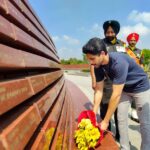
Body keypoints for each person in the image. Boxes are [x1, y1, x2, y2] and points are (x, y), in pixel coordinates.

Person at [82, 37, 150, 150]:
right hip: (125, 89)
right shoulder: (97, 66)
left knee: (145, 122)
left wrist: (105, 121)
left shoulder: (118, 62)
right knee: (121, 118)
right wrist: (93, 113)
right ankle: (124, 147)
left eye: (92, 59)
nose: (90, 62)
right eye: (88, 59)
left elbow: (116, 95)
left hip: (140, 87)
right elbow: (99, 91)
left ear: (102, 53)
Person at [90, 20, 126, 140]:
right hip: (104, 82)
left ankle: (119, 136)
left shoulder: (122, 45)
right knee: (105, 109)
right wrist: (94, 80)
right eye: (107, 32)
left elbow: (125, 61)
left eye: (112, 32)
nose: (110, 34)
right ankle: (106, 133)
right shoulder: (100, 44)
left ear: (116, 32)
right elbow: (92, 63)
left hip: (119, 81)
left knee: (118, 111)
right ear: (104, 33)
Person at [126, 33, 144, 122]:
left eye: (134, 40)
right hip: (126, 74)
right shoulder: (124, 50)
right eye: (131, 40)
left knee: (136, 93)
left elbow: (141, 64)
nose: (133, 41)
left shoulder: (140, 51)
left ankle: (134, 112)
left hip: (136, 75)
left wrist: (142, 74)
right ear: (128, 41)